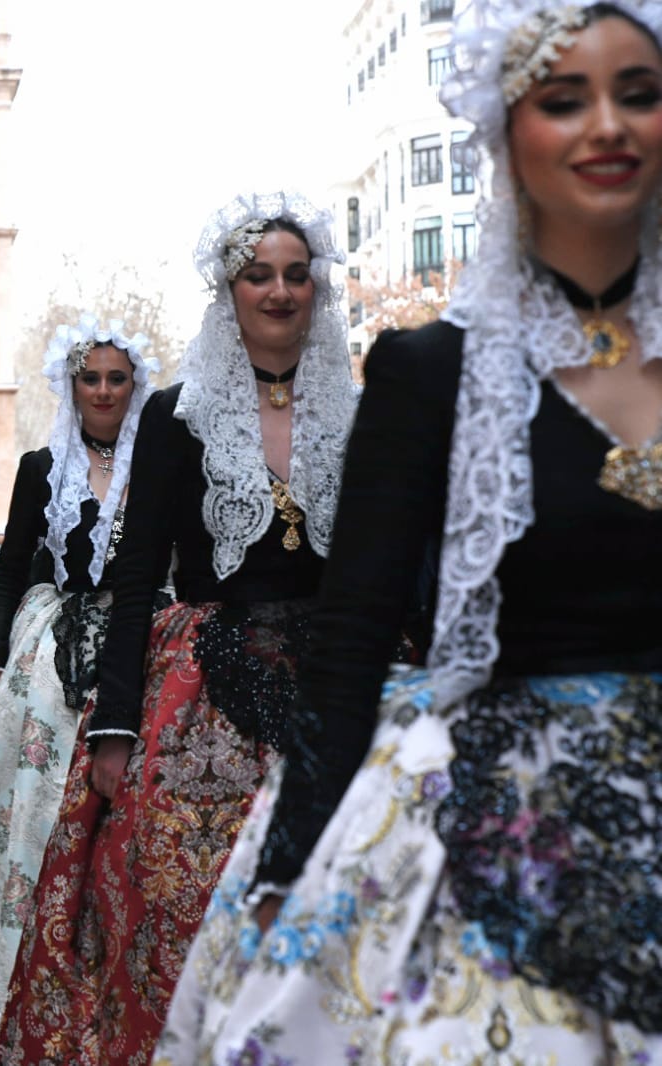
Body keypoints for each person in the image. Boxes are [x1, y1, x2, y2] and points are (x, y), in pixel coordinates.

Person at [158, 5, 662, 1061]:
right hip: (505, 827)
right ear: (507, 132)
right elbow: (354, 644)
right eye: (564, 99)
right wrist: (290, 868)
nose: (607, 126)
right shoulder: (431, 373)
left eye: (641, 94)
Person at [0, 193, 358, 1064]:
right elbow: (134, 575)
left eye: (295, 275)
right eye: (256, 275)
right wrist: (114, 724)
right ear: (226, 292)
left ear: (317, 290)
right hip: (199, 690)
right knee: (177, 904)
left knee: (335, 905)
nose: (277, 292)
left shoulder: (358, 410)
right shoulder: (175, 414)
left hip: (332, 684)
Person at [0, 315, 158, 1016]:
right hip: (53, 650)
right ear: (69, 387)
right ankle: (37, 969)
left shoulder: (164, 464)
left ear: (136, 385)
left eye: (116, 379)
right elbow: (10, 570)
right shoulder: (40, 469)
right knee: (37, 810)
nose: (102, 392)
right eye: (89, 379)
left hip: (146, 642)